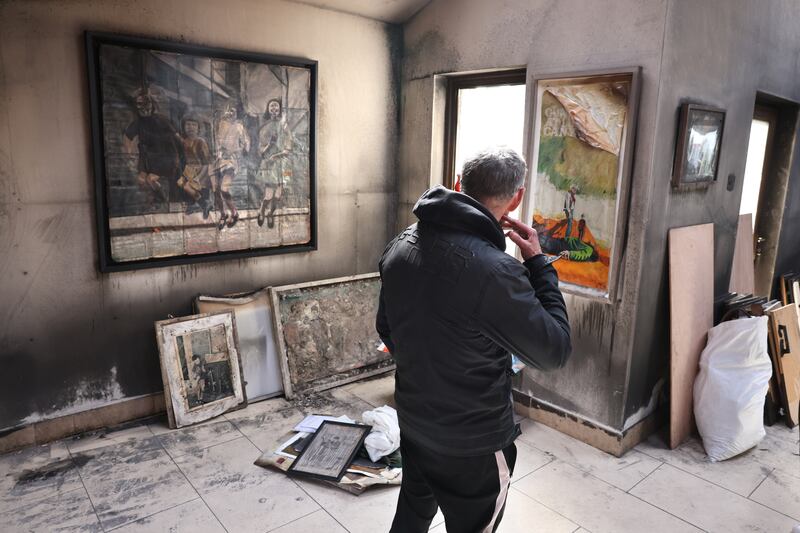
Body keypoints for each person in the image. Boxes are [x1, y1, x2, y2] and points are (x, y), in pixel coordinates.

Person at [376, 147, 572, 533]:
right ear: (516, 197)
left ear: (459, 184)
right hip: (472, 444)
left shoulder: (401, 244)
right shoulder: (495, 271)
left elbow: (388, 329)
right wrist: (538, 264)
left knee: (412, 515)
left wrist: (431, 365)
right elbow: (554, 351)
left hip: (416, 420)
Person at [123, 88, 185, 206]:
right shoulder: (138, 122)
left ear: (152, 104)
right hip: (147, 157)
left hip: (165, 155)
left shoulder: (161, 120)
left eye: (147, 103)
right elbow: (127, 137)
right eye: (140, 104)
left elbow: (176, 135)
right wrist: (129, 153)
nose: (144, 107)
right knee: (141, 180)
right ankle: (158, 196)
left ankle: (162, 198)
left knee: (151, 179)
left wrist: (185, 145)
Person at [211, 104, 250, 229]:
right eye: (228, 110)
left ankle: (234, 212)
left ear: (237, 113)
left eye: (233, 111)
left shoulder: (239, 126)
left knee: (224, 189)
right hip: (217, 161)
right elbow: (215, 139)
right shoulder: (220, 124)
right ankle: (223, 214)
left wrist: (240, 150)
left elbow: (246, 144)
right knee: (215, 190)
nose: (230, 113)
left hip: (231, 161)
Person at [257, 98, 294, 228]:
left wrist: (280, 153)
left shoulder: (284, 125)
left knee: (278, 195)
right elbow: (260, 151)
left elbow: (289, 145)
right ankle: (262, 209)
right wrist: (270, 144)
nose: (274, 108)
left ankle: (270, 214)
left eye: (276, 106)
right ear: (268, 109)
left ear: (279, 109)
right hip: (269, 164)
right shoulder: (264, 126)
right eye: (271, 106)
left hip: (283, 163)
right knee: (268, 194)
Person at [177, 116, 213, 219]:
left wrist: (200, 177)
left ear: (198, 128)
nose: (191, 127)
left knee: (187, 186)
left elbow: (206, 162)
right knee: (180, 183)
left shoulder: (200, 142)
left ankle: (202, 203)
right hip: (189, 169)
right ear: (184, 127)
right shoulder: (185, 141)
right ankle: (203, 204)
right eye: (188, 125)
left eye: (194, 125)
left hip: (200, 169)